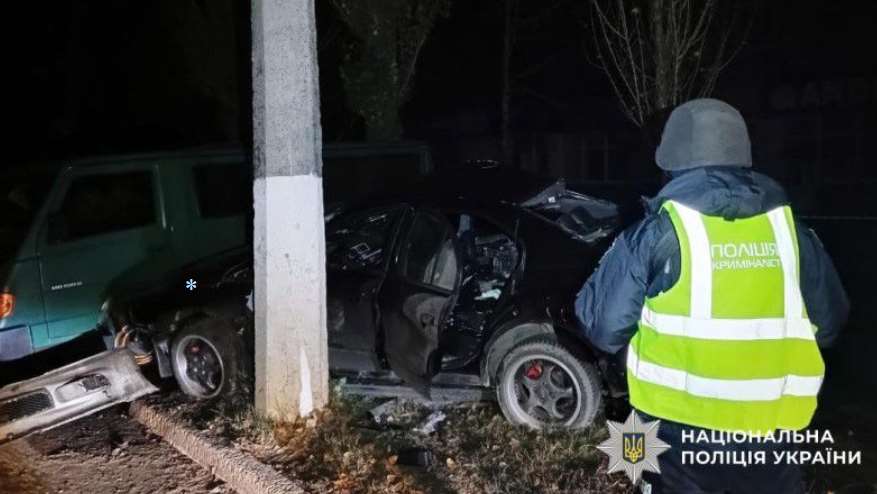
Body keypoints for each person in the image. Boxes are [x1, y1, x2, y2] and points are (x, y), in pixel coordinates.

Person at [575, 98, 849, 493]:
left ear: (670, 159)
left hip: (675, 433)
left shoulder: (658, 233)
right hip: (774, 433)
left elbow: (601, 327)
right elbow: (831, 322)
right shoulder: (790, 231)